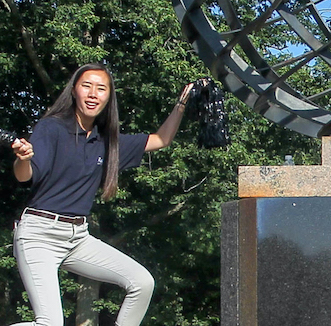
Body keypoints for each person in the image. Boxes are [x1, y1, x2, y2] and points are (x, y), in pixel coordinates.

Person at [8, 64, 194, 326]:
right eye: (87, 86)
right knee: (49, 323)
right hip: (39, 235)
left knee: (141, 283)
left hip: (77, 238)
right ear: (74, 91)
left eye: (101, 88)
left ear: (108, 97)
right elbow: (24, 176)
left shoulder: (107, 142)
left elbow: (161, 140)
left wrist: (182, 103)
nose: (93, 93)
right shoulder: (51, 128)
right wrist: (23, 158)